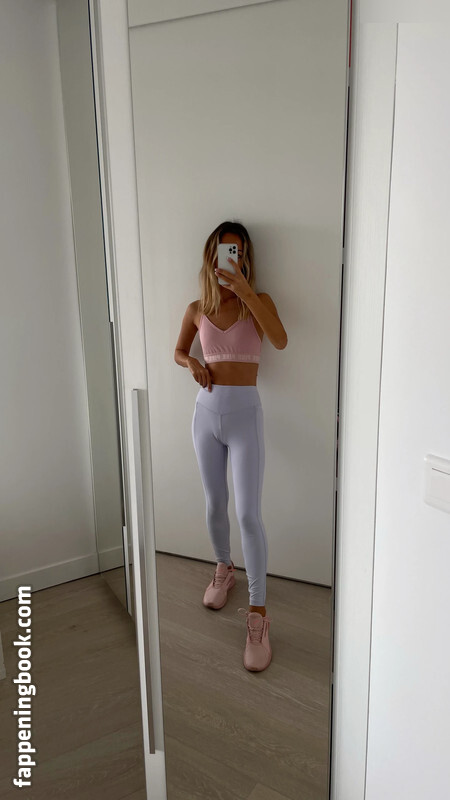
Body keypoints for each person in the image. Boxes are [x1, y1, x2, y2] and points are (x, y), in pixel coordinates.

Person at [174, 221, 288, 672]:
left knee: (247, 514)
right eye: (224, 251)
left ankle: (258, 614)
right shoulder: (196, 309)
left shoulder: (259, 302)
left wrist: (245, 291)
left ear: (246, 258)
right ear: (211, 257)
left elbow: (280, 340)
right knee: (214, 502)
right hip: (205, 414)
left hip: (244, 417)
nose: (231, 259)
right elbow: (178, 351)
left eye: (237, 252)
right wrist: (191, 363)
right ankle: (224, 569)